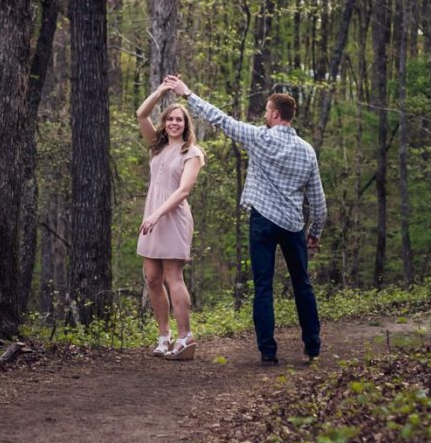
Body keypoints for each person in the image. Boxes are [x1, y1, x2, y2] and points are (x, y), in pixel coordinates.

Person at [160, 77, 325, 367]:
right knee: (303, 284)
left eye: (266, 111)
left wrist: (188, 94)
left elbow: (220, 119)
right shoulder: (307, 150)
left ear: (275, 115)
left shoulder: (259, 137)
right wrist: (315, 231)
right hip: (293, 225)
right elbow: (318, 197)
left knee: (263, 286)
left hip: (262, 220)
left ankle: (268, 351)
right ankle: (312, 346)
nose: (264, 115)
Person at [135, 79, 206, 360]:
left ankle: (185, 337)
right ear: (165, 123)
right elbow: (141, 114)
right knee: (152, 279)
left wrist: (156, 214)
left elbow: (183, 190)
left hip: (172, 218)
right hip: (151, 219)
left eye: (180, 119)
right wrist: (162, 91)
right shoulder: (157, 145)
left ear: (186, 125)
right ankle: (163, 336)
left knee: (173, 277)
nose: (175, 123)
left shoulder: (192, 152)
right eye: (171, 119)